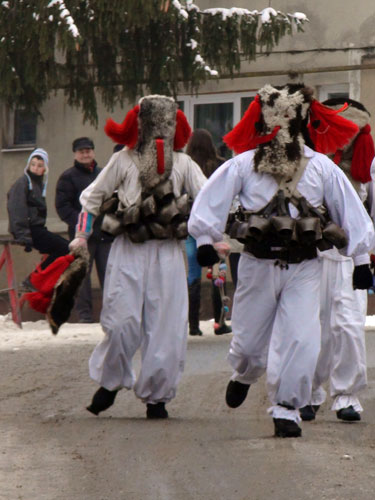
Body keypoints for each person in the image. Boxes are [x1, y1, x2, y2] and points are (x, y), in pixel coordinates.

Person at [188, 83, 375, 438]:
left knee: (301, 340)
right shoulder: (243, 165)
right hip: (257, 265)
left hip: (305, 267)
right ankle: (243, 374)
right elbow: (211, 201)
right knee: (248, 347)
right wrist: (204, 239)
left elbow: (350, 212)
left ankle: (286, 409)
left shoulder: (322, 168)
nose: (281, 130)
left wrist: (362, 260)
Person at [69, 95, 206, 419]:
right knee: (121, 323)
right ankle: (111, 381)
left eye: (166, 124)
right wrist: (80, 235)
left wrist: (214, 238)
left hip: (168, 254)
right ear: (139, 125)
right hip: (129, 251)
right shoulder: (123, 160)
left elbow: (208, 198)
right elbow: (92, 198)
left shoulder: (184, 163)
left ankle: (157, 397)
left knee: (166, 328)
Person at [300, 97, 375, 422]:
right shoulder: (311, 161)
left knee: (347, 326)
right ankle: (309, 392)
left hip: (351, 257)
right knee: (312, 327)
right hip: (313, 254)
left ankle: (346, 396)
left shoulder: (367, 163)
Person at [55, 137, 113, 323]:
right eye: (81, 151)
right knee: (82, 279)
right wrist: (82, 224)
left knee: (109, 276)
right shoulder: (67, 177)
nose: (85, 154)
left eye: (88, 150)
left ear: (93, 152)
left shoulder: (104, 174)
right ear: (75, 154)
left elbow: (114, 201)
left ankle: (111, 314)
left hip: (104, 235)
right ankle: (85, 316)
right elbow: (62, 207)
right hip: (81, 238)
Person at [185, 128, 232, 336]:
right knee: (217, 274)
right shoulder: (220, 165)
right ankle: (219, 323)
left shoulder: (186, 165)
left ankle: (193, 325)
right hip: (214, 225)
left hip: (190, 226)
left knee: (193, 274)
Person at [7, 148, 70, 286]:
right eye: (33, 164)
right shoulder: (23, 183)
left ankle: (40, 281)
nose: (35, 168)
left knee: (65, 248)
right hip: (29, 230)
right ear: (28, 165)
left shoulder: (38, 184)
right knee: (65, 248)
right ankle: (33, 280)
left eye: (40, 166)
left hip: (37, 229)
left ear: (45, 169)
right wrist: (23, 236)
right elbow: (17, 210)